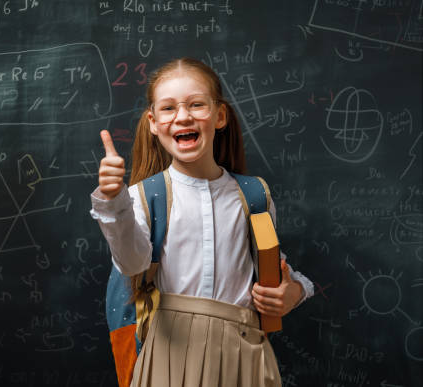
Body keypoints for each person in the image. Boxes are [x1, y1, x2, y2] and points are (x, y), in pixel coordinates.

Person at [90, 58, 314, 387]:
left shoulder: (254, 195)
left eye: (197, 104)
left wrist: (295, 291)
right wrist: (114, 201)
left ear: (220, 115)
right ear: (153, 122)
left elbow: (273, 267)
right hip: (168, 353)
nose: (183, 116)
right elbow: (132, 262)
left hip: (244, 355)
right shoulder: (141, 196)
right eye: (168, 109)